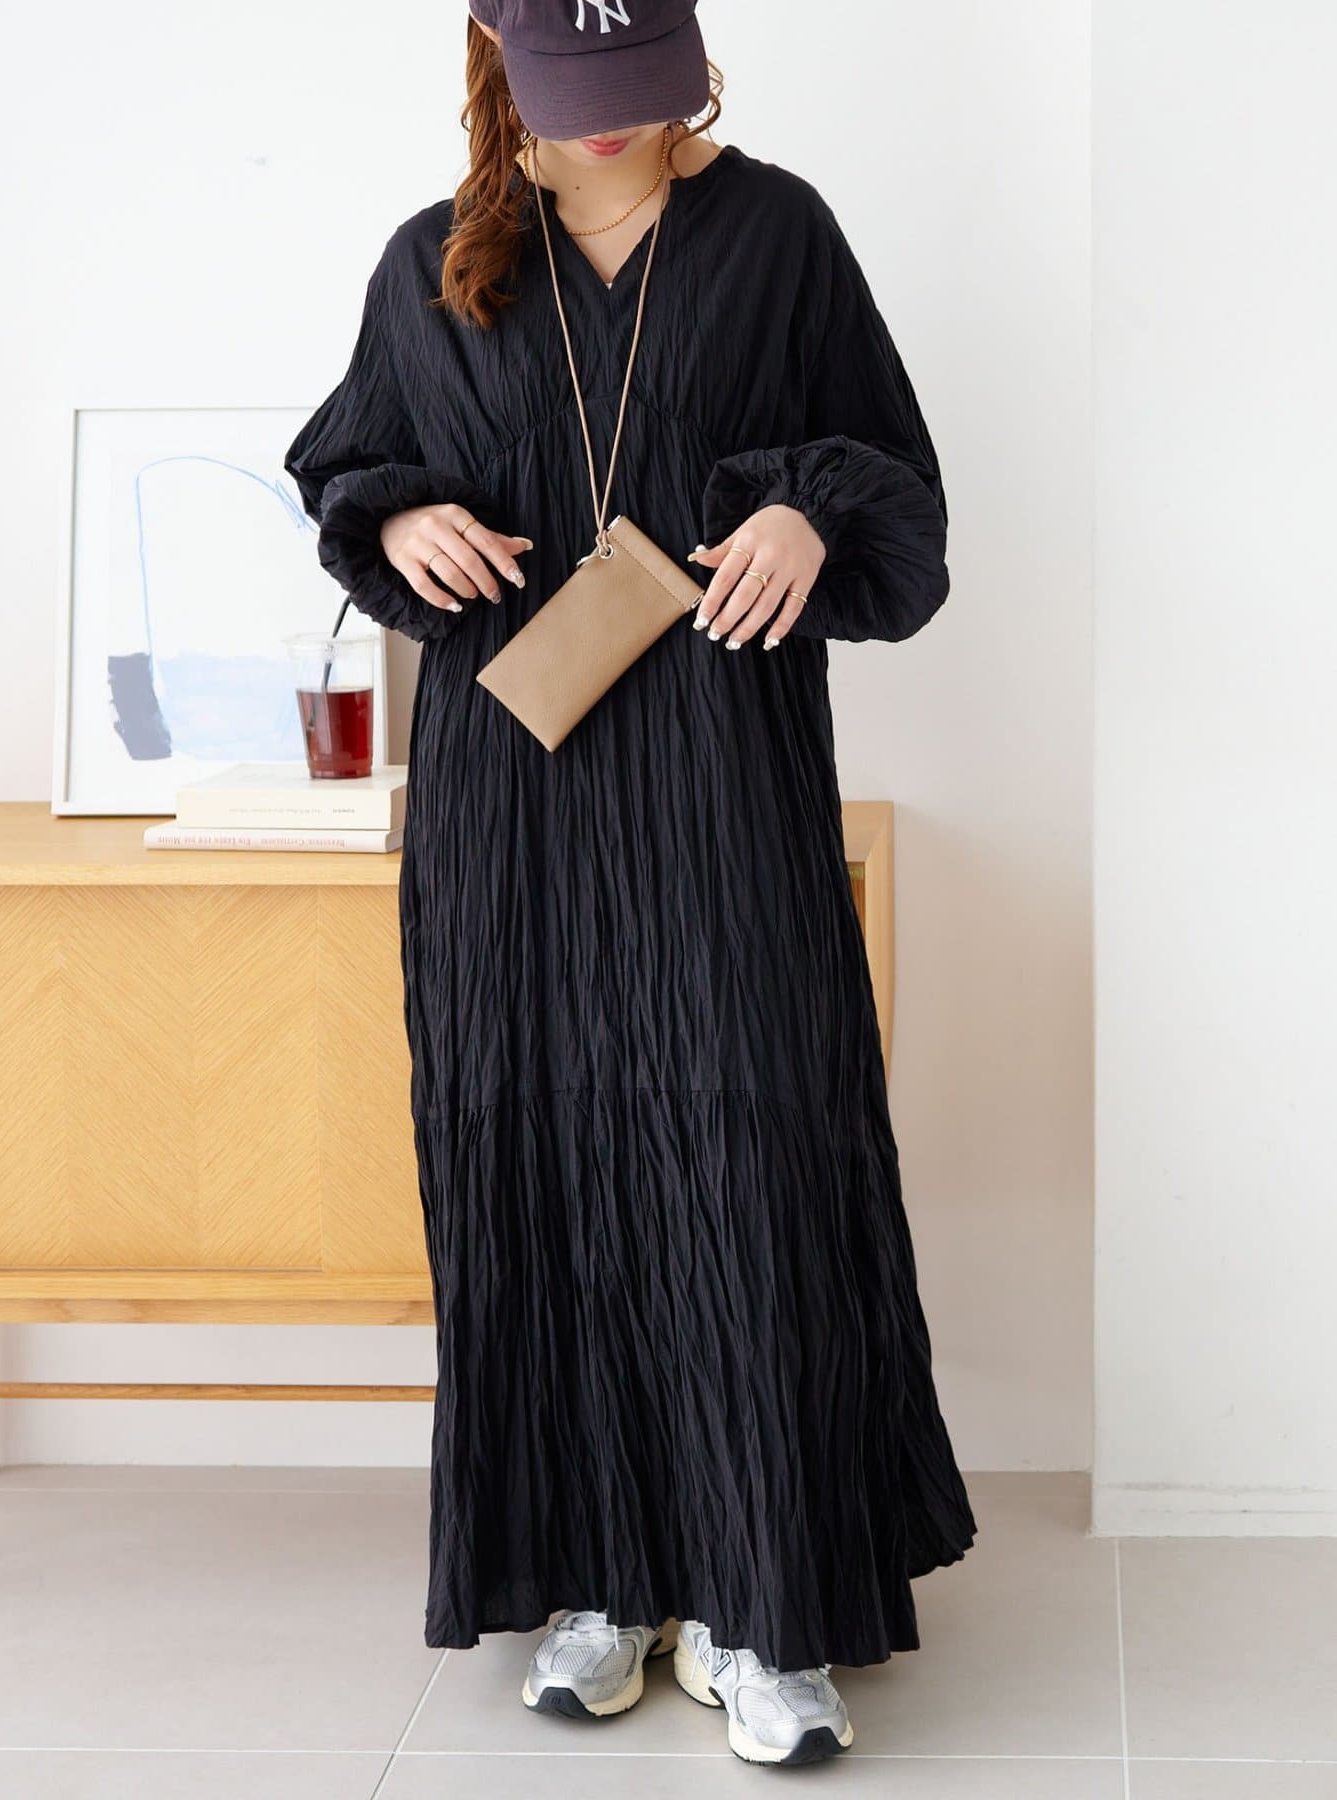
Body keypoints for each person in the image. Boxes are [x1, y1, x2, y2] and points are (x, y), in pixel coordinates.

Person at [284, 0, 977, 1769]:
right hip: (507, 799)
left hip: (722, 778)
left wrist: (809, 514)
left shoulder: (779, 232)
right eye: (571, 93)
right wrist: (399, 522)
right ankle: (599, 1579)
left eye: (634, 90)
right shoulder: (435, 261)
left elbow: (898, 485)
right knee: (543, 1149)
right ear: (503, 65)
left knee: (749, 1154)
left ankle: (763, 1600)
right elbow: (346, 472)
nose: (604, 126)